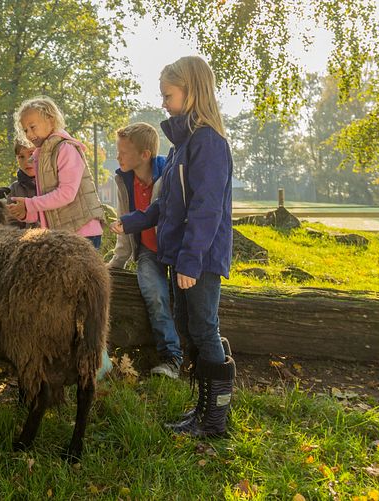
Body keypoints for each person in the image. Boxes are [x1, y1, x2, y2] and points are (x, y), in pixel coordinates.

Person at [110, 56, 236, 437]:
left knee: (202, 328)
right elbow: (168, 203)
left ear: (192, 91)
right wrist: (132, 221)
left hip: (199, 256)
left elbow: (206, 208)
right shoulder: (183, 145)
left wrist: (191, 261)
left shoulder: (208, 143)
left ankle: (215, 420)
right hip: (185, 254)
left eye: (169, 95)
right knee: (189, 326)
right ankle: (204, 409)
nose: (163, 102)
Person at [7, 96, 111, 379]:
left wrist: (31, 204)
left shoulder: (66, 149)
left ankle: (100, 366)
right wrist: (25, 212)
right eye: (25, 130)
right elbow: (47, 208)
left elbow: (66, 194)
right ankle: (73, 364)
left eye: (33, 126)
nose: (29, 134)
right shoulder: (42, 154)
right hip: (65, 236)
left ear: (50, 120)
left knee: (87, 303)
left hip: (83, 234)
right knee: (67, 305)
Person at [108, 122, 183, 379]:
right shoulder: (123, 180)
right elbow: (124, 221)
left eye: (123, 152)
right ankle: (171, 357)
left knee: (186, 303)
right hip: (148, 252)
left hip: (176, 249)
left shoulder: (169, 173)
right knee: (155, 295)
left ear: (144, 154)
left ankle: (201, 350)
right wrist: (117, 263)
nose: (118, 157)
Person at [7, 139, 37, 229]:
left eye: (31, 154)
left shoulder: (52, 182)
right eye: (21, 157)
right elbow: (11, 222)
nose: (27, 161)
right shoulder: (14, 189)